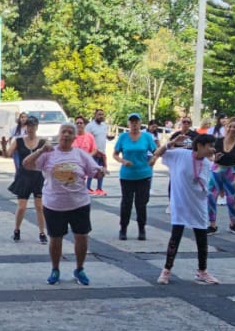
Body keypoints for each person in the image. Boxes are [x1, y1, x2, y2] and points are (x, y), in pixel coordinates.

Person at [26, 122, 104, 285]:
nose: (66, 135)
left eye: (70, 132)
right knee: (55, 239)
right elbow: (26, 164)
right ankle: (55, 269)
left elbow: (94, 172)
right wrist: (40, 150)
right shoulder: (48, 153)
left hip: (79, 204)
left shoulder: (81, 155)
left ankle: (79, 269)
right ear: (59, 134)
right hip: (54, 205)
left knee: (81, 238)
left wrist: (100, 172)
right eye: (64, 132)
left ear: (75, 137)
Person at [151, 133, 220, 285]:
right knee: (175, 237)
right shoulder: (181, 155)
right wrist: (171, 142)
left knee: (202, 238)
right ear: (200, 146)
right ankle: (166, 270)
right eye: (210, 146)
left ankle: (202, 271)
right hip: (180, 203)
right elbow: (158, 152)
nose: (213, 149)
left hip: (198, 204)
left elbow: (206, 185)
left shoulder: (207, 163)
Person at [112, 112, 157, 241]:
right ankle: (123, 228)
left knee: (141, 204)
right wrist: (123, 161)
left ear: (140, 123)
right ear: (128, 123)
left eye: (136, 121)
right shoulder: (123, 137)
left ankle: (141, 229)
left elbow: (156, 151)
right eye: (132, 122)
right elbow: (115, 154)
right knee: (126, 203)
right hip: (127, 176)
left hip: (144, 174)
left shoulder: (147, 137)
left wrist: (153, 159)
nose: (134, 124)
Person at [7, 117, 48, 243]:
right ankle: (17, 230)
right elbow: (8, 153)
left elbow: (50, 156)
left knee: (39, 206)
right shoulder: (19, 141)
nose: (31, 128)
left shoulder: (43, 142)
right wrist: (5, 145)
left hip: (37, 176)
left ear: (37, 127)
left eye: (33, 126)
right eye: (28, 126)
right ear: (25, 127)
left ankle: (42, 232)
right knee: (22, 207)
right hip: (23, 176)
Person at [208, 119, 235, 236]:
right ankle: (212, 225)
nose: (231, 129)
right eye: (230, 126)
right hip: (216, 170)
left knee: (231, 199)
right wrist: (214, 158)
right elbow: (208, 155)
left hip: (231, 172)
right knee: (211, 197)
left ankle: (233, 224)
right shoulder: (217, 141)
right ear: (226, 128)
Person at [84, 109, 110, 196]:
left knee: (101, 171)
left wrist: (109, 137)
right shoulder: (90, 126)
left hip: (102, 152)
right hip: (93, 152)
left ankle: (99, 188)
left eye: (102, 114)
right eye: (99, 114)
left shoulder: (104, 126)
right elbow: (86, 139)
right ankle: (88, 187)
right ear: (95, 115)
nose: (101, 116)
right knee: (92, 170)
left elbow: (103, 137)